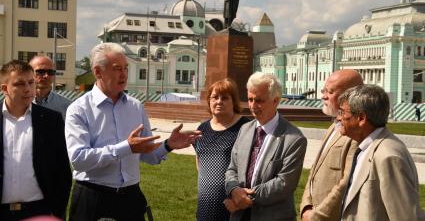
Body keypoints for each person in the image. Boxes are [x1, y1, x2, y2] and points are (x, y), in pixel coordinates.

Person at [65, 43, 201, 221]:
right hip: (93, 198)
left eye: (126, 68)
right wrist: (126, 147)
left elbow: (147, 155)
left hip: (130, 198)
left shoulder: (135, 106)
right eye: (117, 69)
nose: (124, 75)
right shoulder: (79, 109)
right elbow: (79, 160)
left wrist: (168, 145)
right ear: (98, 72)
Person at [224, 72, 307, 221]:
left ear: (275, 101)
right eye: (250, 99)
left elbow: (283, 184)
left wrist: (243, 200)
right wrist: (234, 189)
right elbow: (232, 168)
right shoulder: (245, 129)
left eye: (259, 100)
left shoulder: (294, 138)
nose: (253, 105)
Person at [338, 84, 424, 221]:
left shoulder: (388, 156)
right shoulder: (366, 147)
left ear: (361, 118)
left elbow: (405, 216)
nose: (338, 118)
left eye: (342, 112)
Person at [0, 60, 72, 220]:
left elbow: (62, 172)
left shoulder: (51, 120)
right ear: (5, 88)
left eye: (31, 82)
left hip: (39, 211)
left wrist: (56, 211)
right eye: (19, 84)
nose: (27, 88)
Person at [300, 69, 363, 221]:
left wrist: (316, 216)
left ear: (349, 95)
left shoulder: (356, 133)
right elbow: (314, 171)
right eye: (324, 90)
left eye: (330, 92)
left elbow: (346, 182)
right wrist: (306, 207)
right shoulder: (333, 126)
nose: (323, 96)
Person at [193, 78, 250, 221]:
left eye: (225, 98)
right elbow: (199, 162)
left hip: (234, 207)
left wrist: (240, 200)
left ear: (233, 101)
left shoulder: (246, 128)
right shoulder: (202, 129)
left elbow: (254, 169)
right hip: (205, 208)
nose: (219, 101)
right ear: (209, 101)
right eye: (214, 97)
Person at [29, 55, 71, 120]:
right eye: (40, 72)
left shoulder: (67, 106)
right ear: (29, 73)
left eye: (50, 72)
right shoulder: (17, 103)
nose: (46, 76)